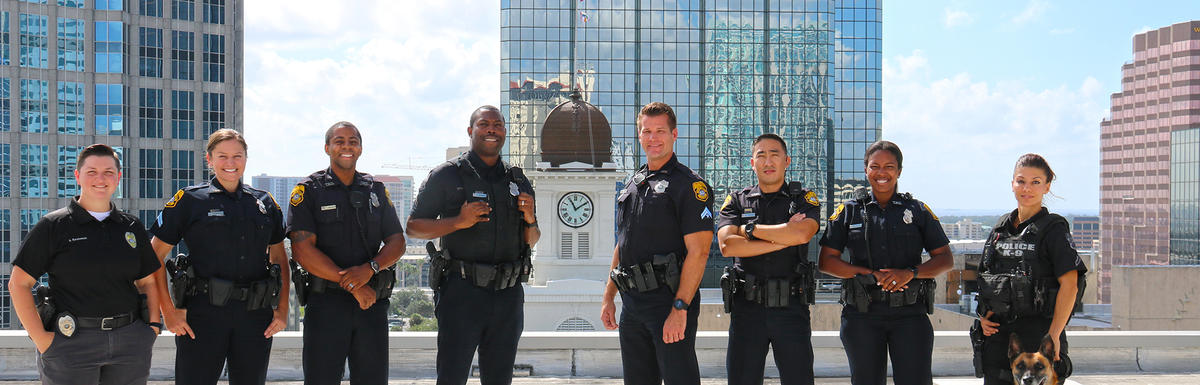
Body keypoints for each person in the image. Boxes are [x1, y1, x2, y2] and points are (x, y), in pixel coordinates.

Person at [407, 105, 540, 385]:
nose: (491, 129)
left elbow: (533, 238)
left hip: (507, 295)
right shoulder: (447, 175)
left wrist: (529, 218)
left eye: (497, 125)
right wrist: (459, 221)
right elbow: (414, 227)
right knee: (452, 377)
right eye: (484, 124)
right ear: (471, 131)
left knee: (500, 379)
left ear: (505, 132)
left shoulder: (517, 179)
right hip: (462, 292)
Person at [8, 144, 162, 385]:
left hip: (130, 342)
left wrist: (152, 327)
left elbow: (147, 281)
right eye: (92, 172)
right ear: (78, 176)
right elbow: (18, 284)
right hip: (71, 343)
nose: (100, 179)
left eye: (108, 172)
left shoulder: (131, 226)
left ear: (118, 178)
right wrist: (42, 340)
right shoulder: (53, 226)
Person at [148, 129, 290, 385]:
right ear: (209, 159)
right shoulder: (190, 200)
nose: (230, 163)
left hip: (255, 315)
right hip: (203, 313)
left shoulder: (264, 202)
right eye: (222, 156)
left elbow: (279, 257)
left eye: (237, 156)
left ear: (245, 158)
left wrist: (282, 309)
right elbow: (155, 255)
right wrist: (167, 312)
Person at [817, 140, 953, 385]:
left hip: (910, 315)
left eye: (889, 166)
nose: (882, 173)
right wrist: (869, 274)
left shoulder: (917, 210)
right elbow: (826, 262)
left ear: (899, 171)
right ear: (866, 170)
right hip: (862, 316)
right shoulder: (848, 211)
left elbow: (945, 258)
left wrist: (910, 273)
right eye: (875, 166)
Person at [600, 102, 713, 385]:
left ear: (674, 134)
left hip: (668, 300)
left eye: (660, 131)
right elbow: (623, 243)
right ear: (639, 135)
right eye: (646, 131)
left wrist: (680, 308)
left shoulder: (689, 186)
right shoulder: (634, 184)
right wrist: (609, 296)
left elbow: (699, 252)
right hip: (632, 303)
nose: (653, 138)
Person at [287, 121, 406, 384]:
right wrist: (353, 285)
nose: (347, 147)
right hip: (326, 305)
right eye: (339, 141)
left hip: (371, 304)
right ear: (327, 148)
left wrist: (370, 269)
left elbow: (397, 241)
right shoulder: (309, 191)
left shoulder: (375, 190)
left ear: (360, 148)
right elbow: (302, 250)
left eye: (353, 141)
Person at [716, 133, 821, 385]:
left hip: (791, 307)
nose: (768, 161)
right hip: (747, 309)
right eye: (761, 155)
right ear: (752, 163)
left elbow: (803, 233)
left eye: (774, 154)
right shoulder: (737, 200)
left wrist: (749, 231)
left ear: (787, 161)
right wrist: (785, 236)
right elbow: (728, 245)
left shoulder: (803, 199)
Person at [973, 154, 1087, 384]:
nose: (1027, 188)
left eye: (1036, 182)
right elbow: (987, 278)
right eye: (1021, 181)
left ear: (1047, 186)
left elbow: (1070, 285)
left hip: (1039, 339)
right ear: (1012, 184)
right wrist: (983, 317)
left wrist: (1054, 335)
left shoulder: (1054, 229)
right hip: (999, 340)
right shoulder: (1000, 229)